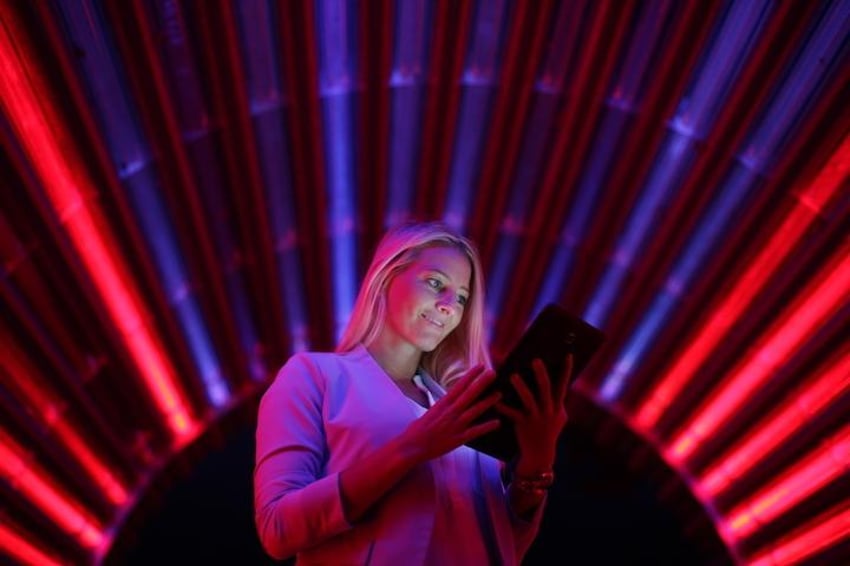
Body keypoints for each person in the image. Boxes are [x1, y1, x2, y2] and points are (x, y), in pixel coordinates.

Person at [254, 221, 572, 565]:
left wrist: (537, 461)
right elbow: (278, 528)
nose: (450, 305)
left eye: (462, 297)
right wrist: (413, 447)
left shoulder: (463, 408)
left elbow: (505, 547)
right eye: (436, 283)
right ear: (387, 277)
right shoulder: (315, 376)